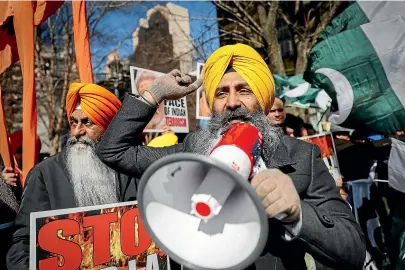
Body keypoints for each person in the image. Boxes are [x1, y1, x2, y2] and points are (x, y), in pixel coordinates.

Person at [97, 44, 366, 269]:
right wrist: (153, 95)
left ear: (262, 98)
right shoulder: (192, 149)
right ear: (212, 104)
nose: (233, 103)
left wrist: (297, 215)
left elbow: (352, 250)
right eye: (221, 93)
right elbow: (113, 151)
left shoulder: (300, 157)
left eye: (244, 90)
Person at [7, 83, 138, 270]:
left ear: (108, 127)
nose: (77, 132)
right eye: (73, 122)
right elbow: (24, 241)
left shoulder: (129, 170)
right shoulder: (44, 173)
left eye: (87, 122)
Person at [0, 131, 41, 269]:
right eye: (19, 150)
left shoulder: (43, 171)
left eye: (28, 150)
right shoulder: (8, 175)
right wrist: (2, 185)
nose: (23, 155)